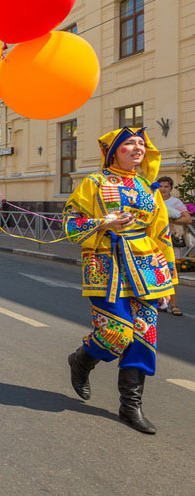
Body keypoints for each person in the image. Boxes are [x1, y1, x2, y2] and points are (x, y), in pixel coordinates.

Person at [63, 128, 177, 434]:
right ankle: (82, 360)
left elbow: (161, 232)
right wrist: (103, 222)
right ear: (114, 150)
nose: (137, 147)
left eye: (141, 143)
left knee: (143, 335)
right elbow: (71, 225)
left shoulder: (147, 186)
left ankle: (131, 406)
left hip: (147, 268)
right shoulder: (94, 182)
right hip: (106, 264)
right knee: (116, 333)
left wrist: (168, 281)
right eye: (129, 143)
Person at [157, 176, 192, 314]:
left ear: (171, 188)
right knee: (154, 272)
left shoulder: (175, 202)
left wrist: (168, 220)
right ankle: (159, 301)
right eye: (161, 186)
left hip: (170, 241)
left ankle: (174, 305)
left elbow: (188, 218)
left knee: (171, 273)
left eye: (166, 186)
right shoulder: (152, 200)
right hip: (153, 241)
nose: (163, 189)